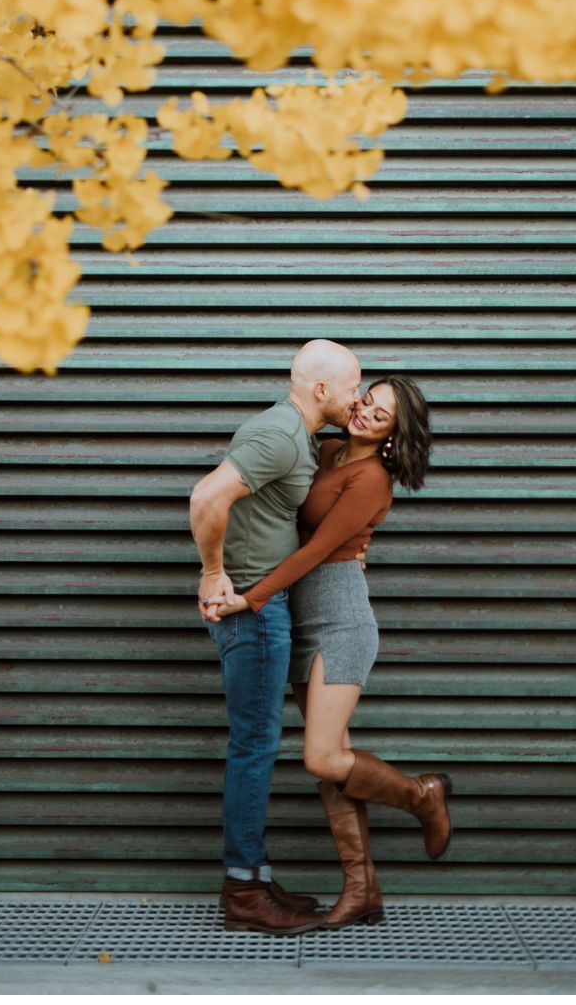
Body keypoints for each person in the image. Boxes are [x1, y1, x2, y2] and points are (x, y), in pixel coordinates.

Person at [214, 377, 444, 930]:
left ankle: (420, 795)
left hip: (339, 618)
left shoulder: (371, 478)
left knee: (321, 756)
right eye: (367, 398)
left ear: (395, 432)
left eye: (382, 414)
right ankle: (361, 888)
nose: (366, 412)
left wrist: (251, 596)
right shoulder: (327, 448)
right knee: (334, 764)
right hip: (299, 613)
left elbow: (317, 549)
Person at [186, 339, 361, 935]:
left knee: (257, 743)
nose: (357, 397)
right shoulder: (281, 434)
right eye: (352, 386)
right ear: (321, 391)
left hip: (262, 605)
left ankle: (255, 876)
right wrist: (214, 572)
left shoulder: (296, 435)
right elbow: (207, 495)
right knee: (255, 747)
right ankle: (243, 892)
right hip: (253, 612)